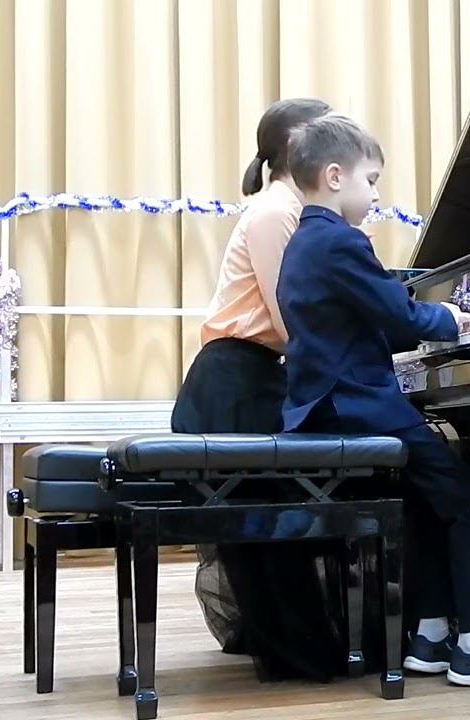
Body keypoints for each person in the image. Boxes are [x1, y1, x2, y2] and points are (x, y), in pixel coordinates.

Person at [276, 114, 470, 688]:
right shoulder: (340, 241)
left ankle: (429, 637)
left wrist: (421, 329)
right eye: (371, 180)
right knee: (468, 498)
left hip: (329, 405)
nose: (377, 194)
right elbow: (401, 315)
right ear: (335, 176)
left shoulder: (303, 244)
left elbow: (366, 325)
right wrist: (450, 318)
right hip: (357, 408)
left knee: (430, 501)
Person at [171, 97, 349, 682]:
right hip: (235, 381)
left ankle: (316, 636)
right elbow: (289, 317)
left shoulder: (288, 208)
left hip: (249, 375)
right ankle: (301, 648)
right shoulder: (277, 211)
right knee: (272, 513)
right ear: (297, 146)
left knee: (276, 512)